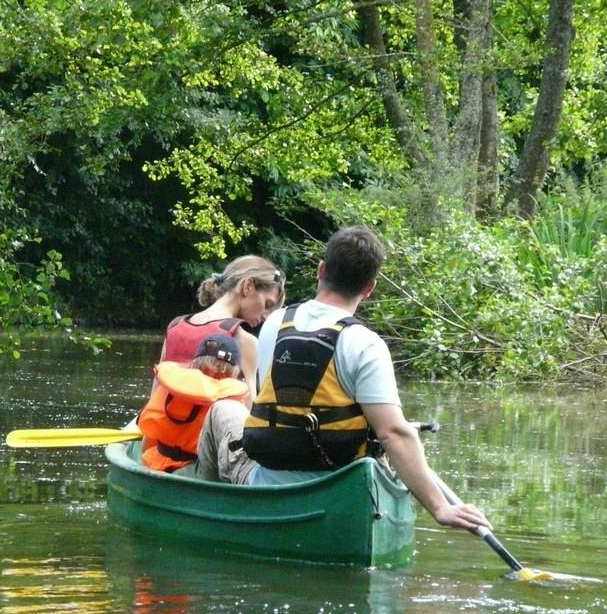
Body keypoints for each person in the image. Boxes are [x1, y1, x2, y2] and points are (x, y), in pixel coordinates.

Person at [192, 225, 493, 535]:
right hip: (338, 490)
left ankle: (206, 515)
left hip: (267, 484)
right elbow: (393, 433)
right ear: (369, 288)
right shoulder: (366, 343)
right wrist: (441, 508)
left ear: (321, 271)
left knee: (221, 410)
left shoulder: (275, 324)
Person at [157, 255, 286, 400]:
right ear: (248, 286)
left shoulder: (175, 326)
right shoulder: (243, 340)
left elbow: (155, 394)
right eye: (267, 305)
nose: (266, 316)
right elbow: (249, 413)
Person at [138, 334, 249, 472]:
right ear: (234, 370)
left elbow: (148, 437)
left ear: (195, 362)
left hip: (155, 463)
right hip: (195, 470)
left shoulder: (172, 385)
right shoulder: (231, 398)